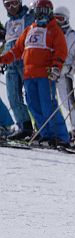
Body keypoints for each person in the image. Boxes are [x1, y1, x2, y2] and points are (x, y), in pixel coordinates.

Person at [0, 0, 69, 146]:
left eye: (43, 11)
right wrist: (3, 59)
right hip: (29, 74)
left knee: (48, 105)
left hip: (45, 74)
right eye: (37, 12)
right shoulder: (29, 29)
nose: (40, 15)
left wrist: (56, 66)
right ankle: (46, 135)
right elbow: (16, 50)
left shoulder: (54, 29)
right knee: (34, 106)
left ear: (50, 12)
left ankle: (61, 137)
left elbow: (61, 50)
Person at [53, 5, 75, 142]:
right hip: (50, 73)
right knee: (50, 101)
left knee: (68, 101)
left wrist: (72, 68)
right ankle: (52, 128)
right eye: (55, 19)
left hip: (64, 74)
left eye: (60, 19)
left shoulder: (72, 36)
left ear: (66, 19)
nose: (57, 22)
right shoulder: (51, 34)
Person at [2, 0, 34, 140]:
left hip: (25, 62)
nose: (11, 7)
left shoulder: (28, 17)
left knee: (31, 96)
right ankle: (24, 126)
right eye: (7, 5)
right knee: (13, 96)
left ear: (20, 2)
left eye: (14, 3)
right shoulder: (8, 23)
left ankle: (42, 127)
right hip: (11, 64)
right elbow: (8, 43)